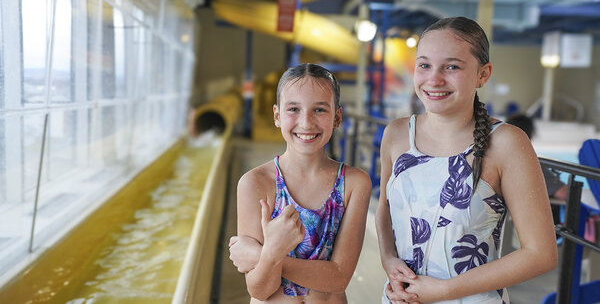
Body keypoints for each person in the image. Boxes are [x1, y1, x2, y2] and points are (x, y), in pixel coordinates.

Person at [375, 17, 558, 303]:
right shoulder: (397, 134)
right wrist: (388, 260)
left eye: (451, 67)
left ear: (482, 75)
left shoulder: (507, 143)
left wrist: (446, 291)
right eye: (424, 65)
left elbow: (541, 253)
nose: (434, 79)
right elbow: (385, 209)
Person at [228, 63, 372, 303]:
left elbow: (339, 278)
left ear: (337, 117)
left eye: (319, 110)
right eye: (294, 109)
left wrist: (267, 255)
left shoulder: (354, 184)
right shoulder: (255, 183)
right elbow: (259, 290)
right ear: (277, 116)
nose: (306, 122)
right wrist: (270, 254)